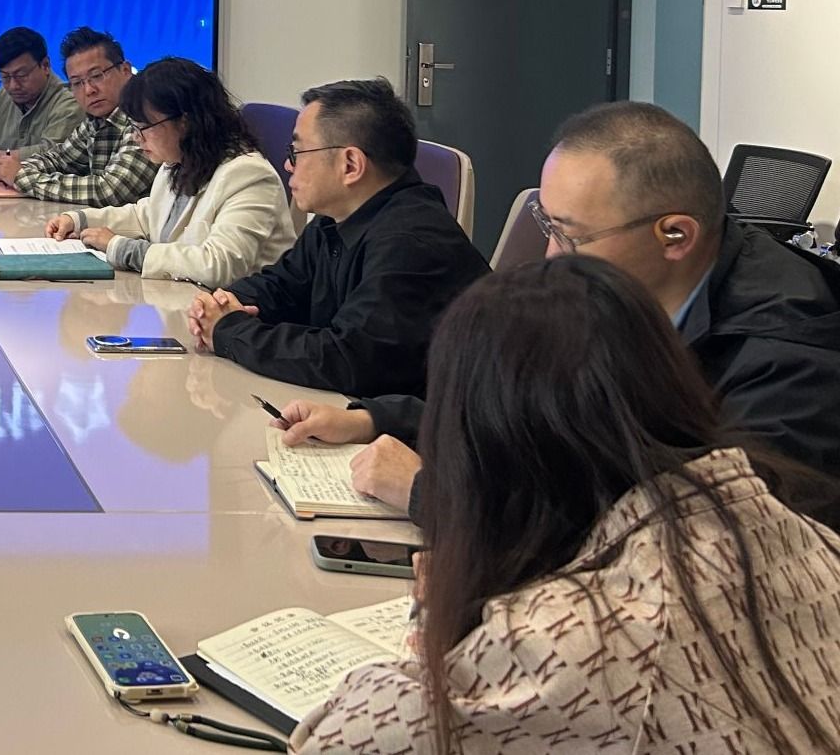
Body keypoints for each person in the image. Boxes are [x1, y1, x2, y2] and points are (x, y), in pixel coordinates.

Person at [290, 256, 840, 755]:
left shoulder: (573, 640)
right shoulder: (786, 526)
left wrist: (437, 618)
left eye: (570, 232)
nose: (552, 250)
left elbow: (341, 741)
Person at [281, 99, 840, 518]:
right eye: (547, 226)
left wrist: (432, 494)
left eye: (570, 234)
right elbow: (533, 418)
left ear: (675, 235)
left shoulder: (787, 356)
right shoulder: (638, 291)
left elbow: (713, 541)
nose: (551, 255)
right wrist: (376, 419)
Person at [187, 77, 486, 397]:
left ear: (351, 165)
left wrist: (228, 330)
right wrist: (223, 304)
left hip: (428, 421)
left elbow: (347, 360)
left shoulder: (410, 244)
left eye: (297, 151)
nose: (288, 165)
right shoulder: (338, 217)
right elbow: (282, 286)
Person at [44, 58, 295, 286]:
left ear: (185, 122)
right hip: (187, 301)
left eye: (144, 127)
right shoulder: (177, 161)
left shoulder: (248, 175)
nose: (137, 138)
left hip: (242, 313)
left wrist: (121, 248)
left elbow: (218, 264)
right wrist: (80, 220)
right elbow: (147, 216)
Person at [0, 27, 158, 207]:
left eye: (97, 76)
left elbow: (109, 191)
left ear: (125, 70)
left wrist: (21, 177)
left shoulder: (145, 116)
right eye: (77, 83)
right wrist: (20, 169)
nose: (89, 90)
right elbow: (59, 159)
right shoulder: (96, 120)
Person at [0, 26, 82, 172]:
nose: (13, 86)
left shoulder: (70, 103)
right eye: (5, 77)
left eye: (21, 75)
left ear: (45, 66)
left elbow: (54, 154)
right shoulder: (3, 96)